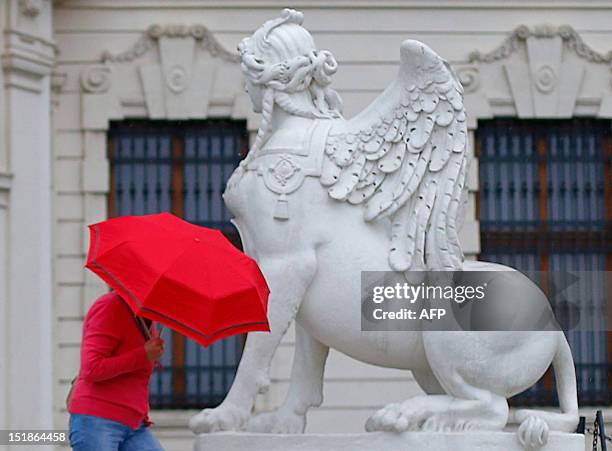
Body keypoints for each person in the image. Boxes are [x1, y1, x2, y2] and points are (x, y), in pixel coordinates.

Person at [67, 290, 166, 450]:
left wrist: (150, 357)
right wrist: (143, 354)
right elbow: (91, 368)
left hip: (134, 423)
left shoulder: (146, 316)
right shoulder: (110, 306)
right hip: (97, 420)